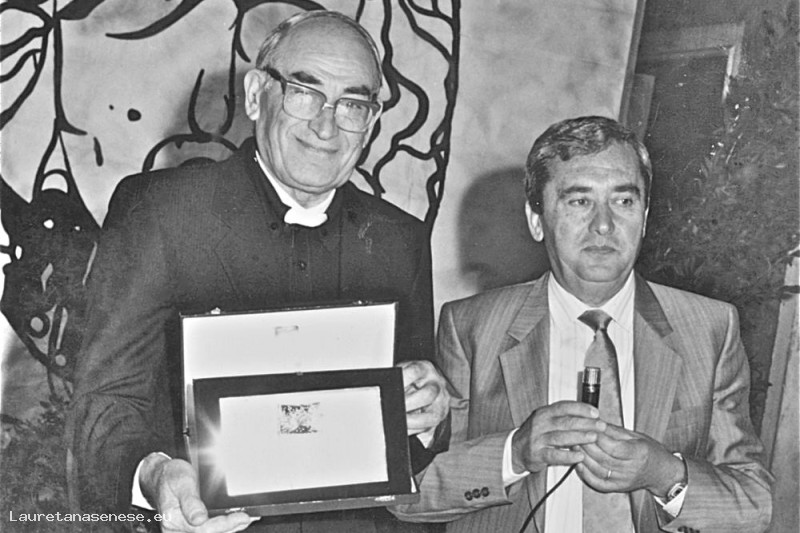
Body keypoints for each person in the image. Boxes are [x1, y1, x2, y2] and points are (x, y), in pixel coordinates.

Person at [68, 11, 450, 533]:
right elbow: (103, 407)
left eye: (352, 105)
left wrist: (429, 417)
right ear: (255, 96)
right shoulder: (161, 212)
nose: (326, 126)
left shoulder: (399, 240)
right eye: (304, 93)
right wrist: (153, 475)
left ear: (372, 120)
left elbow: (404, 439)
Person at [389, 116, 773, 532]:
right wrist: (513, 454)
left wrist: (666, 475)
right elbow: (409, 495)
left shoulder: (710, 327)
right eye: (579, 201)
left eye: (623, 201)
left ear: (644, 217)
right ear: (536, 220)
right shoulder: (472, 328)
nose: (603, 224)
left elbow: (755, 505)